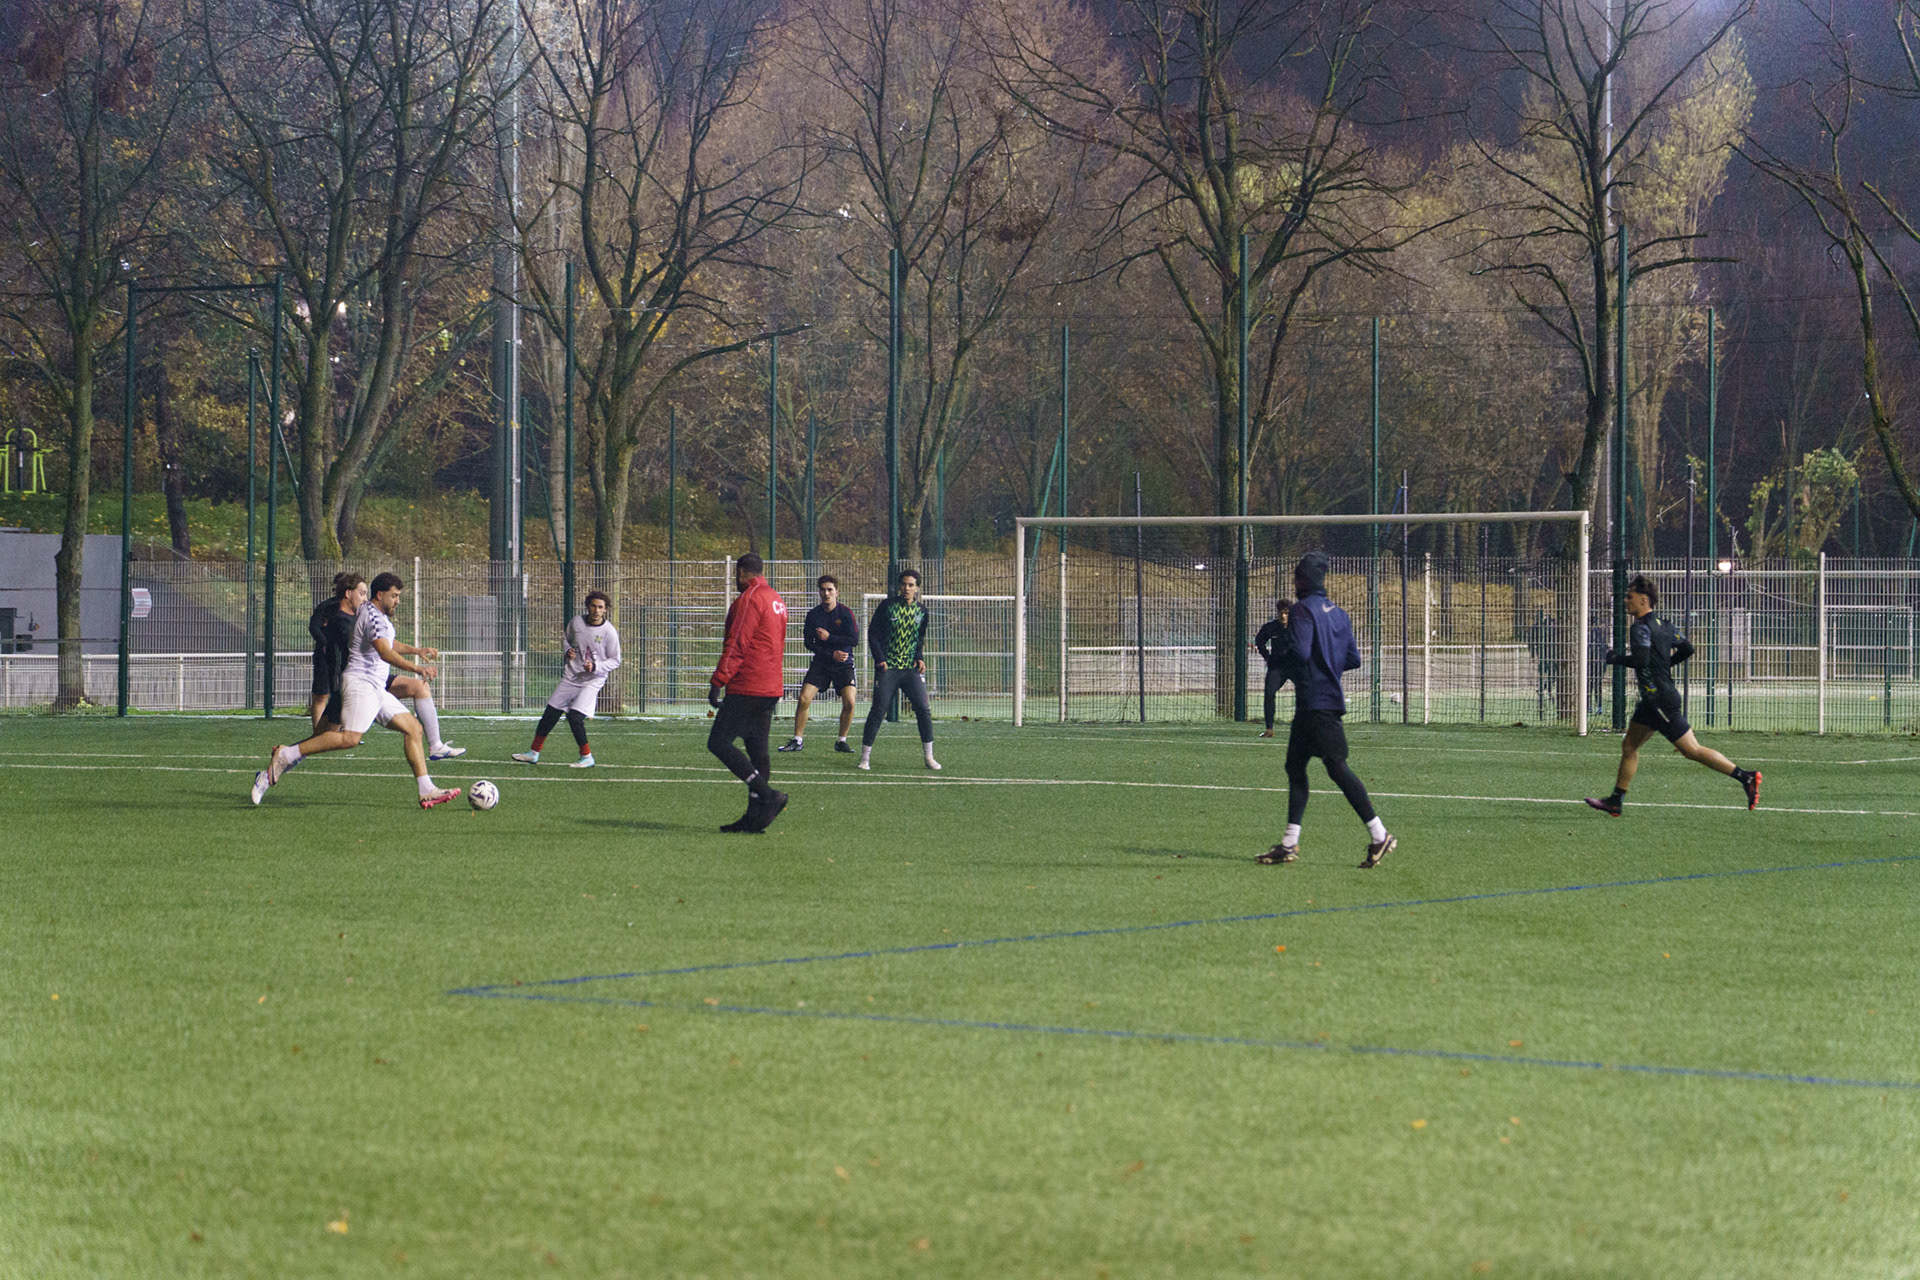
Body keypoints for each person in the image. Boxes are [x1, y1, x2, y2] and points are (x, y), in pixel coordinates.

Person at [251, 571, 461, 809]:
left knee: (413, 728)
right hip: (361, 684)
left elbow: (389, 643)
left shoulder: (375, 614)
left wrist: (416, 650)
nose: (398, 601)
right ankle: (285, 754)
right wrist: (416, 668)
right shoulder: (372, 616)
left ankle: (426, 790)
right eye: (394, 596)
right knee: (348, 738)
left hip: (375, 686)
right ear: (380, 595)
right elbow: (384, 651)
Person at [1257, 551, 1396, 868]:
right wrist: (1328, 664)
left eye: (1296, 578)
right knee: (1295, 767)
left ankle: (1380, 835)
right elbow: (1353, 659)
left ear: (1301, 580)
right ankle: (1289, 843)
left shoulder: (1302, 610)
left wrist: (1280, 660)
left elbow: (1301, 652)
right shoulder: (1340, 614)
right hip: (1319, 704)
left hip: (1316, 704)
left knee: (1337, 768)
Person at [1585, 575, 1761, 816]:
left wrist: (1615, 658)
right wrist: (1665, 663)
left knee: (1692, 750)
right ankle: (1615, 801)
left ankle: (1745, 777)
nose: (1625, 600)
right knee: (1629, 745)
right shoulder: (1665, 624)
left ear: (1643, 600)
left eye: (1629, 596)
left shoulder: (1640, 627)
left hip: (1659, 700)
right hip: (1653, 700)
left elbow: (1641, 660)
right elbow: (1687, 648)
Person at [707, 553, 790, 833]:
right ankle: (754, 818)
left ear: (741, 572)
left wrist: (718, 680)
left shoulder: (750, 598)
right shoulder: (776, 599)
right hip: (770, 685)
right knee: (757, 749)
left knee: (719, 742)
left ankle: (767, 795)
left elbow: (737, 643)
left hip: (748, 684)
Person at [514, 590, 622, 768]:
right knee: (550, 714)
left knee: (575, 717)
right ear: (587, 606)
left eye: (600, 607)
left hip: (592, 680)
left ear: (605, 610)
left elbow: (616, 660)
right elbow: (567, 639)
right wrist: (567, 651)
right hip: (571, 676)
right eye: (593, 606)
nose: (596, 610)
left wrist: (596, 666)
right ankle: (533, 753)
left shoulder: (609, 632)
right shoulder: (576, 622)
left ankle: (587, 757)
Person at [858, 567, 939, 772]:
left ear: (917, 588)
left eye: (911, 585)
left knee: (923, 708)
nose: (906, 588)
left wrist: (919, 658)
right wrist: (880, 659)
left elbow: (919, 638)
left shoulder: (922, 611)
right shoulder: (887, 606)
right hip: (889, 668)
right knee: (879, 709)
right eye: (903, 584)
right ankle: (864, 758)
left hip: (910, 669)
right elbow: (873, 634)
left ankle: (929, 757)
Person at [778, 575, 860, 754]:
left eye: (830, 589)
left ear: (837, 592)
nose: (826, 593)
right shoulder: (813, 615)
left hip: (843, 664)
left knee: (850, 702)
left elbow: (854, 640)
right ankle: (797, 740)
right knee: (804, 698)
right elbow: (809, 643)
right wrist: (830, 653)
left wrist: (830, 638)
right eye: (823, 590)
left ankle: (841, 741)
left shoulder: (846, 613)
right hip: (822, 663)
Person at [308, 573, 367, 731]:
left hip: (346, 661)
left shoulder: (358, 611)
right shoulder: (328, 608)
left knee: (342, 696)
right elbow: (314, 627)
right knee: (322, 694)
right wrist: (325, 643)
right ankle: (319, 732)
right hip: (325, 656)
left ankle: (341, 732)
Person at [1254, 598, 1292, 738]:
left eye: (1286, 613)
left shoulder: (1300, 626)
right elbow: (1259, 641)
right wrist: (1267, 657)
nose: (1283, 616)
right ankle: (1269, 729)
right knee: (1269, 693)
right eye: (1281, 613)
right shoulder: (1271, 627)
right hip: (1277, 666)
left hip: (1296, 666)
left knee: (1308, 693)